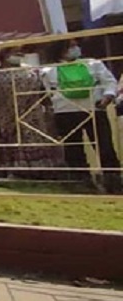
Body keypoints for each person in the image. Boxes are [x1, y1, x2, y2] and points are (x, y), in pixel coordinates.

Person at [40, 40, 120, 193]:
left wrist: (107, 97)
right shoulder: (49, 70)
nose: (76, 49)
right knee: (74, 149)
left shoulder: (93, 63)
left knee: (104, 147)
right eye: (70, 46)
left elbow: (110, 82)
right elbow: (46, 92)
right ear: (60, 50)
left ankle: (113, 181)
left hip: (93, 109)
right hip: (66, 112)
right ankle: (81, 182)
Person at [0, 47, 63, 175]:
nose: (19, 55)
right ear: (4, 55)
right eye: (14, 52)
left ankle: (41, 170)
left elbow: (42, 92)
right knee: (14, 139)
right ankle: (17, 169)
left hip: (32, 116)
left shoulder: (30, 72)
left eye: (21, 53)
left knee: (33, 138)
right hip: (8, 116)